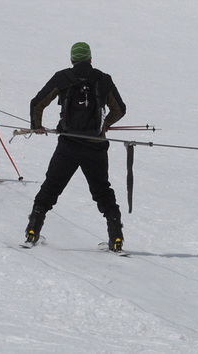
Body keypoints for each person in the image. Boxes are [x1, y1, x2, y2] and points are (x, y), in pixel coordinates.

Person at [24, 42, 127, 251]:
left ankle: (33, 230)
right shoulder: (103, 79)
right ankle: (116, 239)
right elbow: (120, 109)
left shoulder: (63, 77)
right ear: (90, 59)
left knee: (51, 186)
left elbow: (37, 102)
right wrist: (102, 126)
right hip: (95, 147)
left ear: (72, 60)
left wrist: (37, 126)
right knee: (103, 192)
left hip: (68, 143)